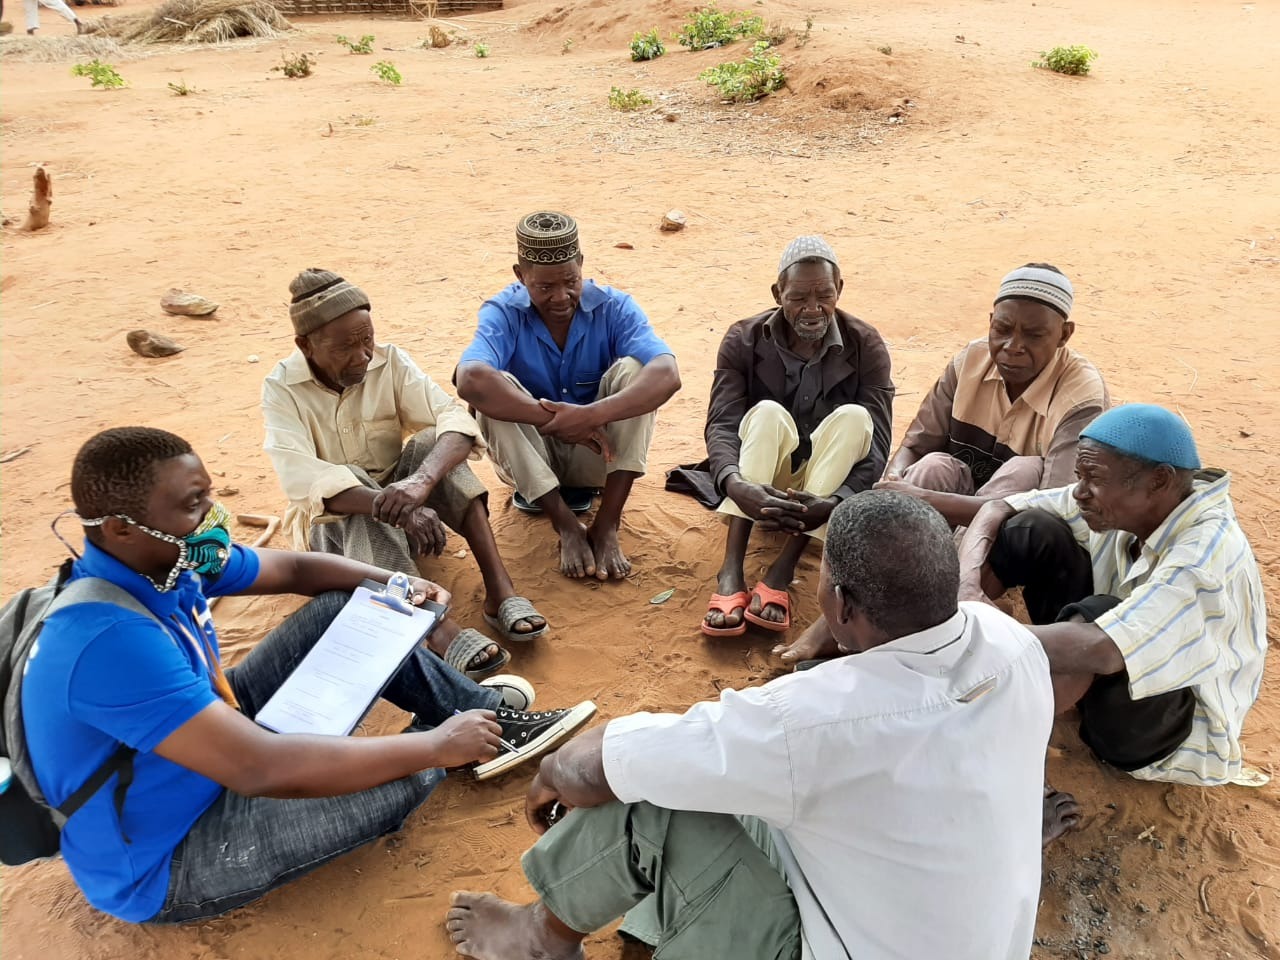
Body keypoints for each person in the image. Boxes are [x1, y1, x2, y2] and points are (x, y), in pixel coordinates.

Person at [444, 492, 1055, 960]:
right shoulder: (1013, 646)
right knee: (746, 783)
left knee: (648, 796)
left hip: (839, 946)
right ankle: (663, 909)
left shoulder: (814, 718)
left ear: (838, 603)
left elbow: (601, 764)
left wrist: (552, 769)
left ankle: (539, 938)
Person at [22, 427, 596, 924]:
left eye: (208, 495)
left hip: (208, 746)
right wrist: (433, 748)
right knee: (396, 780)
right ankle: (455, 738)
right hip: (172, 856)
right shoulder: (108, 641)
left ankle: (481, 723)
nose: (212, 518)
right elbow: (261, 768)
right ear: (122, 528)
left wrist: (391, 582)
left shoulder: (164, 563)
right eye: (194, 504)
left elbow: (296, 567)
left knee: (345, 605)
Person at [956, 404, 1268, 816]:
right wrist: (966, 584)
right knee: (1033, 529)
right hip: (1106, 662)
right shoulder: (1132, 501)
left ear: (1159, 481)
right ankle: (986, 678)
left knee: (1099, 619)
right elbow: (999, 508)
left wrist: (969, 627)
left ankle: (1007, 753)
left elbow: (1103, 647)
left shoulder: (1203, 556)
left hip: (1164, 732)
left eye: (1094, 480)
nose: (1080, 491)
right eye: (1079, 477)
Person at [262, 268, 544, 679]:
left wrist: (420, 482)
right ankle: (434, 625)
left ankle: (500, 591)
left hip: (404, 500)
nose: (362, 355)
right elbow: (303, 479)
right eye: (345, 347)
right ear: (305, 345)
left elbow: (452, 417)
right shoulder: (282, 387)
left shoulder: (388, 361)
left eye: (367, 340)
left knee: (433, 440)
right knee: (351, 479)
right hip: (336, 530)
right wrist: (394, 505)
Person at [454, 211, 681, 582]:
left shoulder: (615, 307)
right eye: (544, 287)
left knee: (637, 372)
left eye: (570, 281)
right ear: (519, 276)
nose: (561, 296)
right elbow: (470, 379)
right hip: (530, 459)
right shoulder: (502, 312)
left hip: (600, 453)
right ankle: (565, 525)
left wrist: (589, 416)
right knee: (493, 389)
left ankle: (607, 524)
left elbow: (667, 375)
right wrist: (556, 423)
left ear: (582, 266)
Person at [701, 235, 894, 637]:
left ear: (839, 290)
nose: (812, 308)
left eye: (824, 295)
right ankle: (731, 568)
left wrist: (834, 502)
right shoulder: (743, 338)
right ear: (777, 294)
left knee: (857, 418)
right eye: (797, 297)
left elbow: (875, 446)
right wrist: (735, 485)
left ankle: (781, 570)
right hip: (762, 476)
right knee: (767, 413)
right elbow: (722, 422)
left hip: (828, 482)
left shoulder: (866, 344)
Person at [876, 263, 1108, 527]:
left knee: (1024, 471)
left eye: (1033, 335)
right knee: (934, 466)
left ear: (1064, 335)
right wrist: (894, 481)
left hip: (1016, 536)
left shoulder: (1081, 397)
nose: (1013, 347)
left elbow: (1051, 509)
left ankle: (954, 565)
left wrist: (924, 498)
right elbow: (915, 447)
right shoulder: (970, 361)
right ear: (990, 322)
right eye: (1002, 329)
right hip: (946, 518)